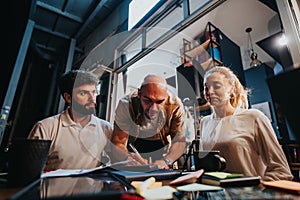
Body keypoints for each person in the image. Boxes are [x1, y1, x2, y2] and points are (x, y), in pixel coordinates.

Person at [199, 66, 293, 181]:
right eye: (206, 87)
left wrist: (254, 189)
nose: (210, 92)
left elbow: (282, 170)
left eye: (217, 86)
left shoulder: (254, 117)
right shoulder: (204, 122)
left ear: (231, 89)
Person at [28, 70, 113, 170]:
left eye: (93, 92)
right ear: (68, 98)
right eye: (83, 93)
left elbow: (117, 163)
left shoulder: (106, 128)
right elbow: (29, 172)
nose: (92, 99)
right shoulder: (45, 128)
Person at [111, 74, 186, 169]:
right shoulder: (126, 105)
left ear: (166, 96)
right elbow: (118, 142)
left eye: (159, 102)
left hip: (162, 150)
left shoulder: (175, 106)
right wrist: (127, 158)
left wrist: (166, 161)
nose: (153, 109)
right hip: (135, 150)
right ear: (139, 94)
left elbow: (179, 141)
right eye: (147, 100)